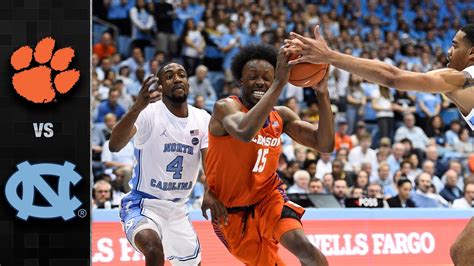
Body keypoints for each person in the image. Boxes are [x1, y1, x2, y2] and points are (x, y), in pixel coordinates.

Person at [203, 44, 333, 266]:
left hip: (269, 199)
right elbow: (244, 132)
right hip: (231, 214)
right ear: (240, 82)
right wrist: (279, 83)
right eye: (252, 77)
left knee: (309, 253)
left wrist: (322, 94)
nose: (260, 82)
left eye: (267, 77)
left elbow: (325, 144)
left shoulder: (281, 115)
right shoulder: (225, 107)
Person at [109, 63, 210, 265]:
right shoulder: (148, 113)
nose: (177, 79)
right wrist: (137, 107)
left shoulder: (202, 118)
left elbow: (210, 166)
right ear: (161, 86)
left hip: (178, 208)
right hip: (144, 203)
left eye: (182, 74)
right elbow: (114, 145)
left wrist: (210, 191)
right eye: (170, 76)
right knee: (154, 250)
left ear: (188, 83)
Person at [284, 24, 474, 131]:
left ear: (471, 53)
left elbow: (393, 77)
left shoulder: (460, 79)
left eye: (455, 46)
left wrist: (330, 56)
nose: (449, 52)